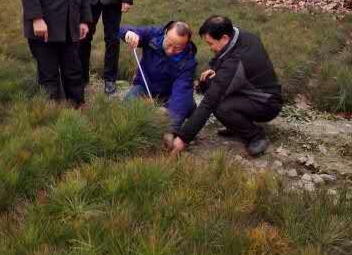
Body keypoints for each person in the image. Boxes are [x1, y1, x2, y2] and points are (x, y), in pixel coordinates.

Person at [171, 16, 283, 157]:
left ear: (224, 38)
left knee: (220, 107)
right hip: (250, 91)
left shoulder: (235, 63)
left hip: (267, 104)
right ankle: (237, 125)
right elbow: (222, 55)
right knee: (208, 82)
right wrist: (213, 68)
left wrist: (183, 138)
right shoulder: (241, 35)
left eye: (210, 43)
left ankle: (255, 136)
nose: (210, 47)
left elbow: (209, 103)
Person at [120, 21, 197, 144]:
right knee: (124, 110)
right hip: (145, 87)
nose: (171, 50)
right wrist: (128, 33)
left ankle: (165, 111)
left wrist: (170, 130)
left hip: (170, 94)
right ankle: (154, 112)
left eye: (177, 48)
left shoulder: (188, 62)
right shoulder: (153, 34)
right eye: (169, 44)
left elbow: (180, 93)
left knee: (185, 103)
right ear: (165, 33)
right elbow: (126, 29)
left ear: (186, 44)